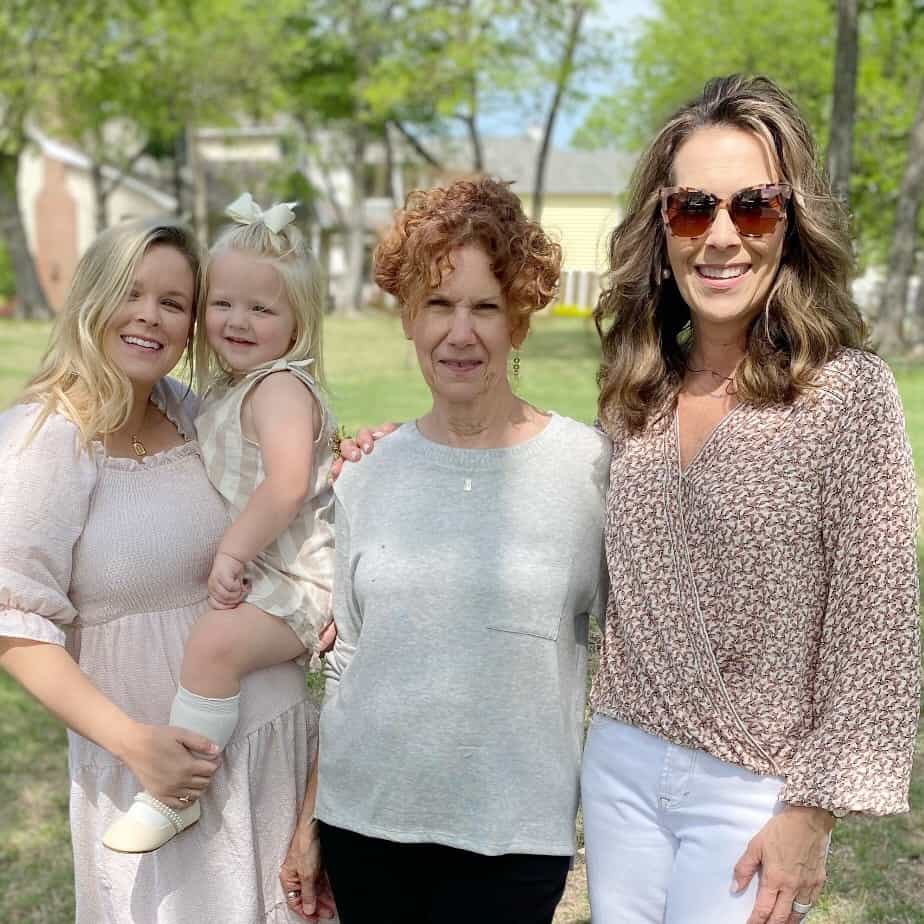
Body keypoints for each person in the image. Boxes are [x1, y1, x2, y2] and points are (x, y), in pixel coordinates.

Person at [581, 74, 919, 924]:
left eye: (753, 207)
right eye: (693, 209)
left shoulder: (846, 396)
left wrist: (811, 812)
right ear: (662, 228)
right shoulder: (634, 394)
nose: (722, 237)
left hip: (756, 791)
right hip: (619, 761)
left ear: (790, 221)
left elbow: (877, 623)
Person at [279, 176, 611, 924]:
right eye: (438, 304)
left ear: (519, 320)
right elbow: (351, 660)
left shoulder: (588, 469)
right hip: (367, 824)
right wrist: (311, 820)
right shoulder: (366, 471)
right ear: (408, 317)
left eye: (485, 307)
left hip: (514, 838)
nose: (459, 333)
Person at [0, 216, 330, 923]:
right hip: (153, 771)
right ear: (92, 298)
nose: (150, 316)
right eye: (131, 292)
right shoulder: (43, 439)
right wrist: (135, 746)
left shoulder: (192, 411)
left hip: (270, 751)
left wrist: (359, 454)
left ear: (190, 327)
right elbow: (15, 628)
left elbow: (288, 485)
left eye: (174, 302)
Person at [102, 195, 336, 854]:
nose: (238, 320)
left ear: (296, 324)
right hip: (281, 566)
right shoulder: (235, 392)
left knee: (212, 647)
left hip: (301, 574)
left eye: (262, 309)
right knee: (212, 646)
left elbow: (287, 483)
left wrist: (232, 550)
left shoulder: (280, 388)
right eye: (223, 303)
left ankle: (178, 793)